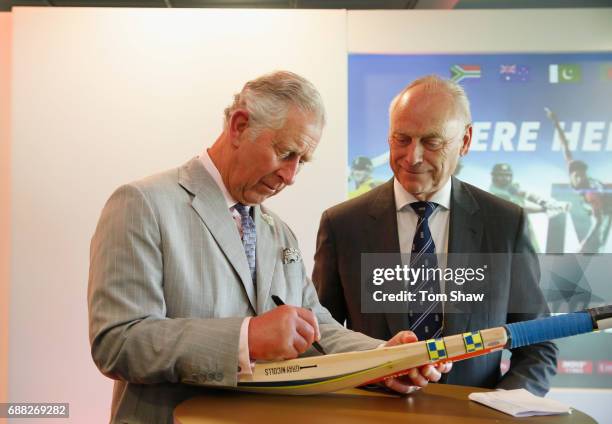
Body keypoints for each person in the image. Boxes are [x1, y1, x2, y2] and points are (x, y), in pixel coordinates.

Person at [88, 71, 450, 424]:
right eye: (285, 153)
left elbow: (316, 325)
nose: (291, 176)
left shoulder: (280, 233)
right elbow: (119, 341)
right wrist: (246, 337)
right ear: (240, 126)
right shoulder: (142, 204)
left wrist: (383, 358)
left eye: (301, 162)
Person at [313, 75, 558, 396]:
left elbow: (537, 344)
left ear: (465, 141)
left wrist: (501, 408)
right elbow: (320, 340)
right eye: (401, 139)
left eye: (431, 142)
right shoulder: (343, 224)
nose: (412, 157)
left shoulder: (505, 224)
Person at [545, 107, 612, 253]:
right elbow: (565, 145)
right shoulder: (571, 167)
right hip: (601, 201)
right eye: (577, 175)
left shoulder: (591, 193)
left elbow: (598, 222)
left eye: (582, 174)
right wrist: (555, 122)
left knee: (600, 242)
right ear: (571, 174)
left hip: (607, 206)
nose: (580, 177)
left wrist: (584, 242)